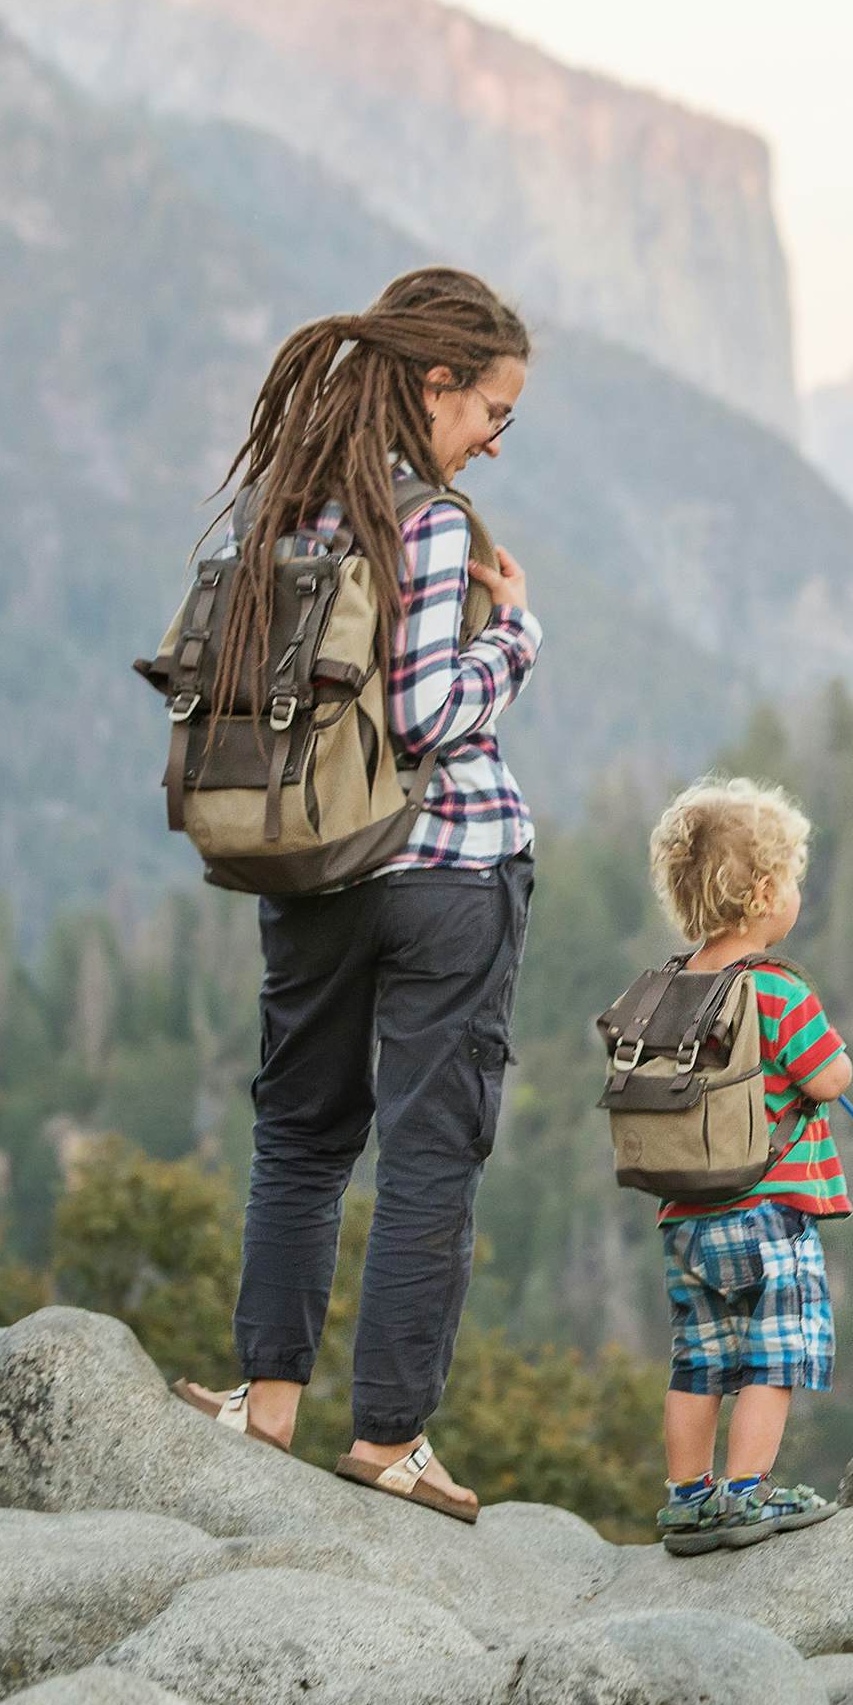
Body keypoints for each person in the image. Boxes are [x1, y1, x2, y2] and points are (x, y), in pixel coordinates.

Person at [176, 267, 538, 1524]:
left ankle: (265, 1402)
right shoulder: (426, 522)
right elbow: (426, 713)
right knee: (430, 1155)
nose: (496, 435)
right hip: (445, 873)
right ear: (435, 382)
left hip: (309, 866)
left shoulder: (272, 514)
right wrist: (518, 637)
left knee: (300, 1137)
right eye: (493, 407)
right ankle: (389, 1436)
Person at [642, 777, 853, 1555]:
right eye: (793, 877)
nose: (795, 891)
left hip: (685, 1216)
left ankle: (687, 1498)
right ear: (766, 892)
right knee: (774, 1358)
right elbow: (830, 1077)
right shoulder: (772, 986)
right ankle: (746, 1493)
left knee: (697, 1363)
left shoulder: (672, 987)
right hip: (769, 1208)